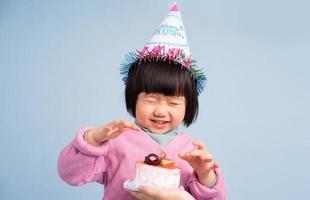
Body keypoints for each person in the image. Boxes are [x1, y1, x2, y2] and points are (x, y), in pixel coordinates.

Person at [58, 3, 226, 200]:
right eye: (152, 99)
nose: (161, 111)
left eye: (173, 103)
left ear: (189, 106)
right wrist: (93, 140)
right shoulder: (116, 143)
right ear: (133, 98)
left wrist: (205, 175)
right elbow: (70, 174)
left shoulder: (192, 153)